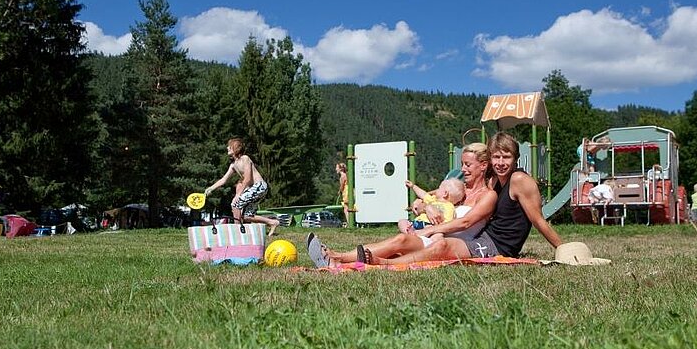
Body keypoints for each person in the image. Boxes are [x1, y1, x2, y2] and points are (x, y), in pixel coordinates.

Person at [308, 142, 498, 266]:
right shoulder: (459, 189)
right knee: (401, 239)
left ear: (483, 166)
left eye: (468, 165)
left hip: (449, 242)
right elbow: (424, 199)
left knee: (414, 245)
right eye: (462, 164)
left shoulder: (488, 196)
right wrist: (426, 207)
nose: (463, 169)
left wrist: (428, 231)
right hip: (432, 235)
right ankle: (336, 257)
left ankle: (371, 263)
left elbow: (465, 223)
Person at [205, 138, 280, 236]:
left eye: (230, 146)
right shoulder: (233, 165)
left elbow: (248, 178)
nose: (227, 147)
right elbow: (223, 180)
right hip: (254, 189)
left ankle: (237, 232)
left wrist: (238, 195)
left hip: (259, 186)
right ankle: (272, 222)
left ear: (236, 148)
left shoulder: (245, 158)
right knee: (246, 216)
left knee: (235, 204)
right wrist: (211, 188)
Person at [397, 178, 466, 245]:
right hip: (416, 223)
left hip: (430, 226)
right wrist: (413, 186)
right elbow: (423, 194)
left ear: (445, 193)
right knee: (402, 221)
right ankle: (409, 233)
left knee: (438, 235)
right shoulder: (433, 199)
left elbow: (448, 222)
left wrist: (437, 228)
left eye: (439, 188)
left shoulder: (449, 207)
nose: (436, 191)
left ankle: (432, 246)